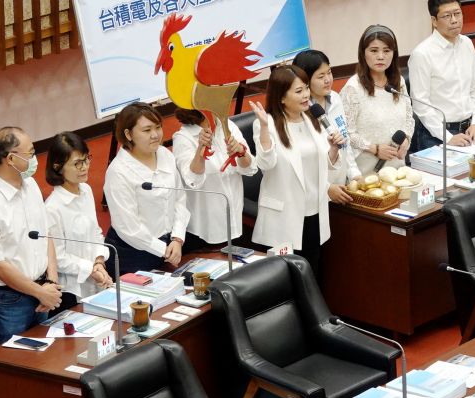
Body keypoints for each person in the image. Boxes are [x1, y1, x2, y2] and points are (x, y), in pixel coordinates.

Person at [250, 66, 352, 274]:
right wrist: (263, 128)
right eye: (299, 91)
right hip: (284, 216)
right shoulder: (266, 124)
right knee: (286, 280)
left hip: (315, 211)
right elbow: (266, 164)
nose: (306, 95)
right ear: (281, 97)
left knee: (312, 273)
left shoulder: (312, 119)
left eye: (306, 88)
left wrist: (333, 149)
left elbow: (325, 167)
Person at [0, 127, 61, 349]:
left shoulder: (31, 186)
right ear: (10, 158)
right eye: (30, 153)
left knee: (44, 360)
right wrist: (39, 292)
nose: (35, 159)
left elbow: (45, 234)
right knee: (12, 369)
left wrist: (52, 282)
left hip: (42, 292)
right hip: (7, 303)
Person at [102, 102, 189, 275]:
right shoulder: (118, 172)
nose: (155, 135)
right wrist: (163, 249)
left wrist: (177, 238)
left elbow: (179, 199)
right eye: (147, 130)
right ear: (128, 134)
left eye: (158, 127)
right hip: (133, 255)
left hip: (170, 247)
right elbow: (129, 228)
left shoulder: (164, 154)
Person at [407, 0, 475, 150]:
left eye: (457, 14)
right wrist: (448, 137)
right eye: (447, 16)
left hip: (469, 130)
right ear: (434, 21)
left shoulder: (467, 44)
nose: (454, 20)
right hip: (436, 134)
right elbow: (421, 105)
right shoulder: (422, 54)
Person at [171, 107, 257, 248]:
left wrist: (241, 152)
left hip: (235, 219)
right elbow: (192, 181)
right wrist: (200, 150)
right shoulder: (183, 138)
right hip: (206, 229)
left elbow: (250, 169)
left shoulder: (227, 125)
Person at [44, 132, 112, 306]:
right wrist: (90, 269)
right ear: (58, 167)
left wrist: (99, 261)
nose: (85, 167)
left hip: (97, 276)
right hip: (72, 290)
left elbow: (96, 232)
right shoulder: (52, 207)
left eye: (86, 159)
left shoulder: (86, 190)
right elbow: (58, 258)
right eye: (77, 163)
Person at [340, 25, 415, 176]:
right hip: (367, 172)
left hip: (398, 168)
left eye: (387, 51)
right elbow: (347, 133)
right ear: (363, 53)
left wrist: (407, 139)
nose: (381, 56)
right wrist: (375, 149)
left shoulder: (398, 81)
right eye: (374, 51)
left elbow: (409, 118)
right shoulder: (353, 88)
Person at [293, 49, 359, 180]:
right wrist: (327, 189)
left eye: (329, 72)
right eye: (320, 76)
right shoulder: (299, 111)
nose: (328, 80)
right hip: (318, 190)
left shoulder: (335, 98)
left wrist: (354, 173)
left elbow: (344, 140)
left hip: (340, 184)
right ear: (304, 80)